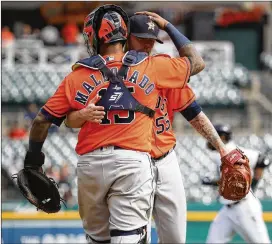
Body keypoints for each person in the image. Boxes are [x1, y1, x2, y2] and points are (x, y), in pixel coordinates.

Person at [22, 4, 206, 243]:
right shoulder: (151, 66)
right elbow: (197, 62)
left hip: (90, 166)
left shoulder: (76, 76)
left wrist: (33, 161)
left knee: (99, 240)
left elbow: (41, 121)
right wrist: (167, 26)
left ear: (96, 37)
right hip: (131, 162)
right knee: (128, 238)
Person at [65, 12, 237, 244]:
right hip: (132, 162)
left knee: (175, 239)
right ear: (126, 38)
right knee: (134, 237)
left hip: (165, 161)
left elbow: (194, 113)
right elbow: (72, 117)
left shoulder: (160, 68)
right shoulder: (109, 71)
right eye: (141, 38)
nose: (147, 43)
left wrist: (222, 148)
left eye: (152, 39)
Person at [202, 124, 271, 243]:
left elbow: (262, 160)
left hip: (244, 208)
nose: (208, 139)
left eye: (211, 136)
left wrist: (251, 185)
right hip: (228, 209)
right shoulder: (222, 152)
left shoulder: (231, 151)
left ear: (222, 138)